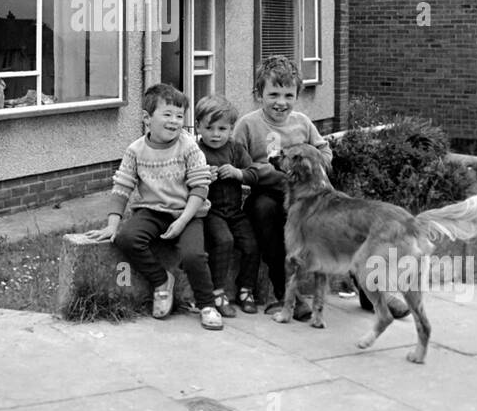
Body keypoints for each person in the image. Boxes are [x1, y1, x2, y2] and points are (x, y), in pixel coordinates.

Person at [85, 83, 223, 330]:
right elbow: (122, 187)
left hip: (187, 212)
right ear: (147, 118)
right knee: (126, 238)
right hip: (152, 211)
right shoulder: (135, 150)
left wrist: (182, 222)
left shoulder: (189, 146)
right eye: (167, 114)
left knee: (193, 256)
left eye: (180, 116)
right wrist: (112, 224)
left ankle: (207, 304)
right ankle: (161, 281)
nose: (174, 121)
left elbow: (200, 188)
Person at [233, 56, 330, 317]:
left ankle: (372, 292)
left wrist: (311, 163)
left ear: (297, 95)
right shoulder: (247, 125)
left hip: (305, 196)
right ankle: (287, 293)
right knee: (265, 213)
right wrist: (268, 172)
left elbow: (324, 151)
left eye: (289, 95)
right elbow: (239, 166)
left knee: (343, 224)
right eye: (273, 94)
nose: (281, 102)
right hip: (267, 195)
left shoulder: (302, 123)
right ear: (259, 94)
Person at [193, 94, 260, 315]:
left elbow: (254, 174)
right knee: (224, 241)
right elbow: (184, 179)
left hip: (234, 210)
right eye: (209, 128)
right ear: (198, 127)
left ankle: (246, 288)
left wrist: (237, 173)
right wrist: (203, 177)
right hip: (211, 211)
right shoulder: (196, 151)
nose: (215, 134)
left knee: (251, 244)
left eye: (222, 129)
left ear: (231, 129)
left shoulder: (235, 149)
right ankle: (217, 291)